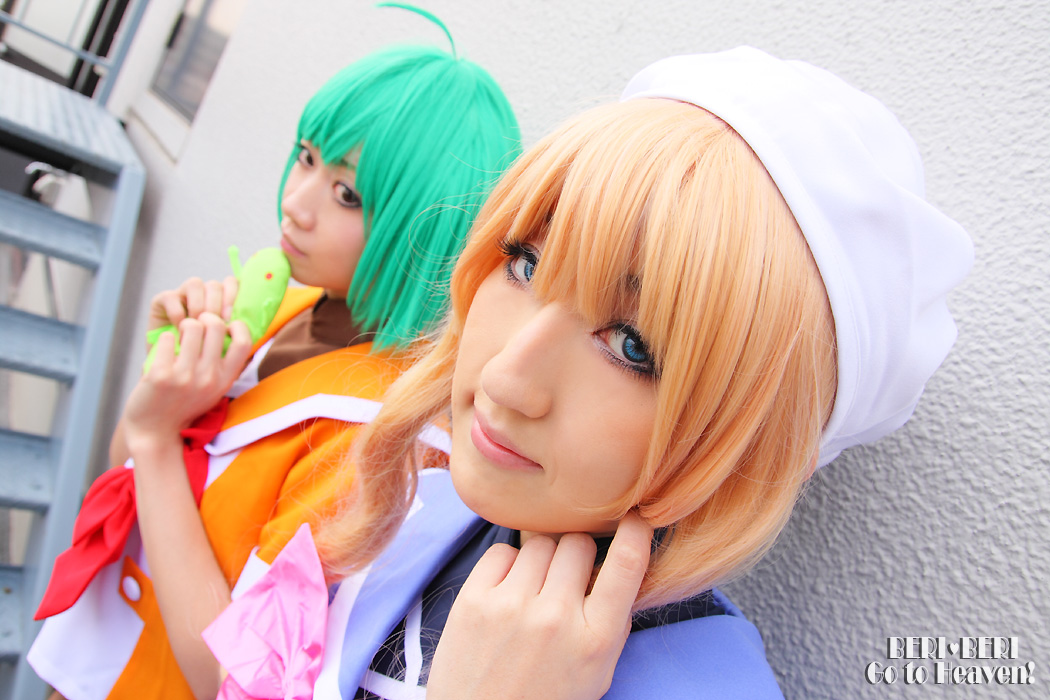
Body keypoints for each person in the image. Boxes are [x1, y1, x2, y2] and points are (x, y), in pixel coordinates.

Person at [202, 46, 973, 699]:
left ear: (750, 444)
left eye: (632, 346)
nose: (505, 378)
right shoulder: (416, 503)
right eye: (525, 264)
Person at [26, 7, 521, 699]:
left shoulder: (382, 443)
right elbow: (125, 478)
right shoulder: (287, 302)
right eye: (307, 157)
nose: (297, 203)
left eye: (347, 194)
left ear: (424, 231)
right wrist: (168, 381)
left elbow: (237, 679)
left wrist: (158, 436)